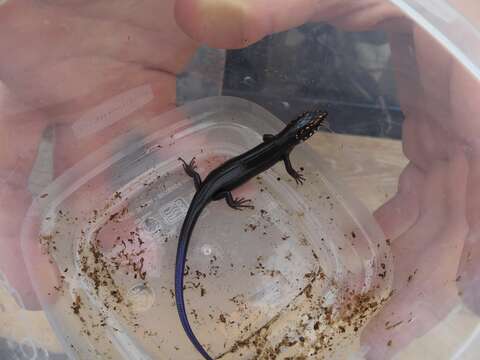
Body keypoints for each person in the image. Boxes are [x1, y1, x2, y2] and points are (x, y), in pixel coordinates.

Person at [0, 0, 479, 358]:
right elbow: (282, 159)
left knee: (210, 186)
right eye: (310, 126)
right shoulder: (286, 149)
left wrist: (214, 184)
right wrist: (231, 195)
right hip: (214, 188)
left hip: (212, 185)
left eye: (308, 127)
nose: (309, 127)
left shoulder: (281, 140)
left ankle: (206, 188)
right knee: (214, 191)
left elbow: (274, 147)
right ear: (302, 133)